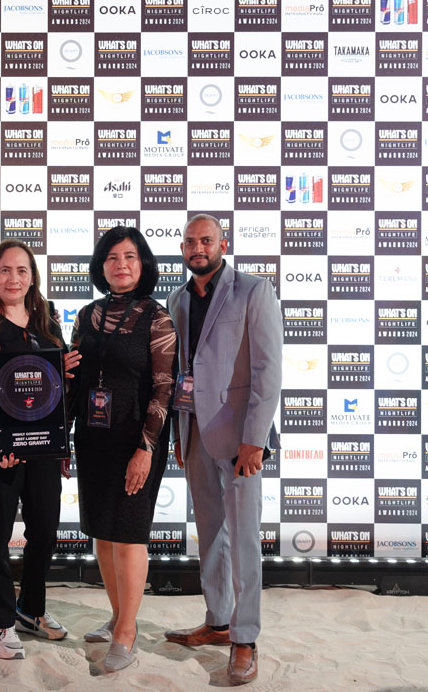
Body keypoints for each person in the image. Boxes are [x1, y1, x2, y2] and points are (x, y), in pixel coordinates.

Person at [164, 214, 283, 685]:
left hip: (239, 440)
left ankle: (245, 637)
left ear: (222, 244)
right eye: (190, 241)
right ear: (183, 248)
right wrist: (179, 434)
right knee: (210, 532)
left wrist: (255, 439)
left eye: (206, 240)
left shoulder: (253, 291)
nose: (198, 248)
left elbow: (268, 370)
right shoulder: (177, 298)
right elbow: (180, 371)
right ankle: (217, 621)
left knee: (245, 538)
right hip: (194, 432)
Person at [0, 240, 81, 659]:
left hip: (42, 449)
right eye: (5, 270)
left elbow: (57, 390)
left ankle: (31, 609)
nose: (13, 279)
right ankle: (0, 623)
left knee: (45, 530)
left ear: (32, 277)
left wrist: (66, 373)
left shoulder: (47, 321)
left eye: (22, 270)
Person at [69, 226, 176, 673]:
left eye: (129, 256)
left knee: (129, 534)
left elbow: (164, 388)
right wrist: (61, 438)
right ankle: (117, 615)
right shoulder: (87, 315)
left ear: (142, 263)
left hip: (136, 439)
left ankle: (127, 632)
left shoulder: (157, 318)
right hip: (92, 438)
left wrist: (146, 448)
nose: (121, 265)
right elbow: (74, 384)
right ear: (101, 266)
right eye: (112, 257)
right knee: (103, 531)